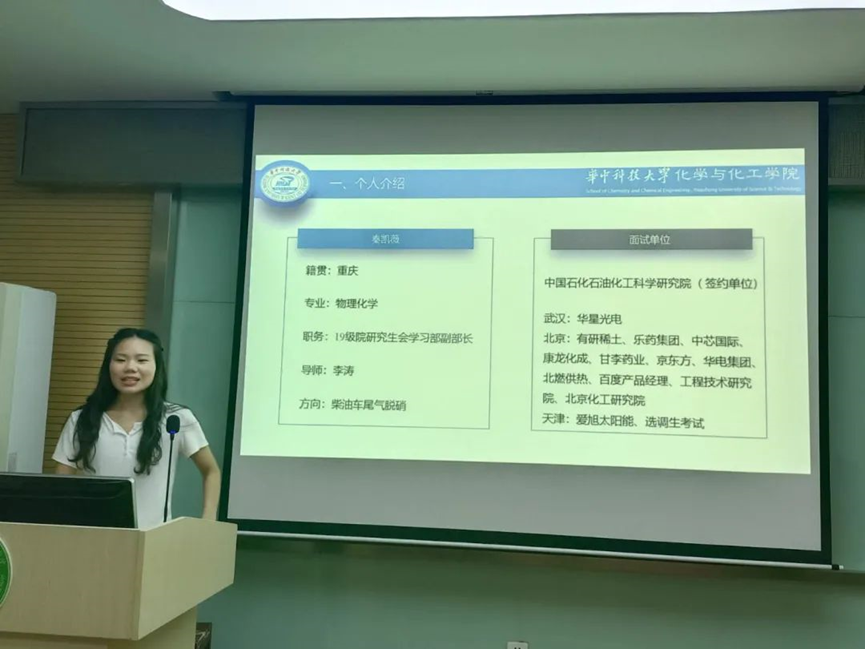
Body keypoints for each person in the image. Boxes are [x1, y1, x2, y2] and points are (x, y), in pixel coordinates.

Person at [53, 327, 221, 529]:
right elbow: (61, 483)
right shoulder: (82, 419)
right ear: (108, 365)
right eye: (121, 360)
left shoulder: (176, 419)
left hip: (155, 539)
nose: (130, 368)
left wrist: (208, 520)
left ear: (157, 366)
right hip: (96, 536)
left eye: (141, 360)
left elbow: (211, 471)